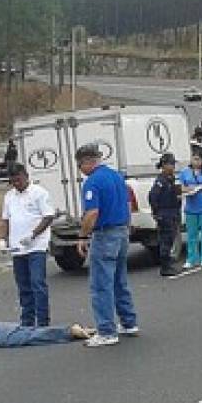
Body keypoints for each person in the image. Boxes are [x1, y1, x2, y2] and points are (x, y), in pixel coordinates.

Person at [75, 144, 138, 347]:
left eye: (79, 165)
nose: (80, 170)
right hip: (121, 230)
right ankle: (129, 321)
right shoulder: (116, 176)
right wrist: (128, 225)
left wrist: (83, 236)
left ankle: (106, 330)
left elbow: (92, 213)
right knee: (120, 280)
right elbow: (128, 204)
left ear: (86, 162)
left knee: (101, 284)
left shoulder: (92, 183)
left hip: (105, 234)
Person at [0, 164, 55, 327]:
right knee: (23, 285)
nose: (16, 184)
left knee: (37, 282)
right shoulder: (9, 196)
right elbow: (5, 220)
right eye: (13, 181)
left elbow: (48, 216)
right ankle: (27, 321)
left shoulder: (39, 193)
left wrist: (33, 234)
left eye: (18, 180)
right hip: (18, 247)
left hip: (36, 245)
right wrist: (3, 239)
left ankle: (43, 320)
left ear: (25, 176)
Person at [146, 153, 183, 277]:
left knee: (171, 238)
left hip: (172, 212)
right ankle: (165, 267)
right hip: (165, 213)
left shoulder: (170, 179)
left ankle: (168, 265)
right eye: (170, 164)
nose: (173, 167)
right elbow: (153, 196)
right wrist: (156, 212)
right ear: (164, 165)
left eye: (173, 164)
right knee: (166, 240)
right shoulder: (161, 180)